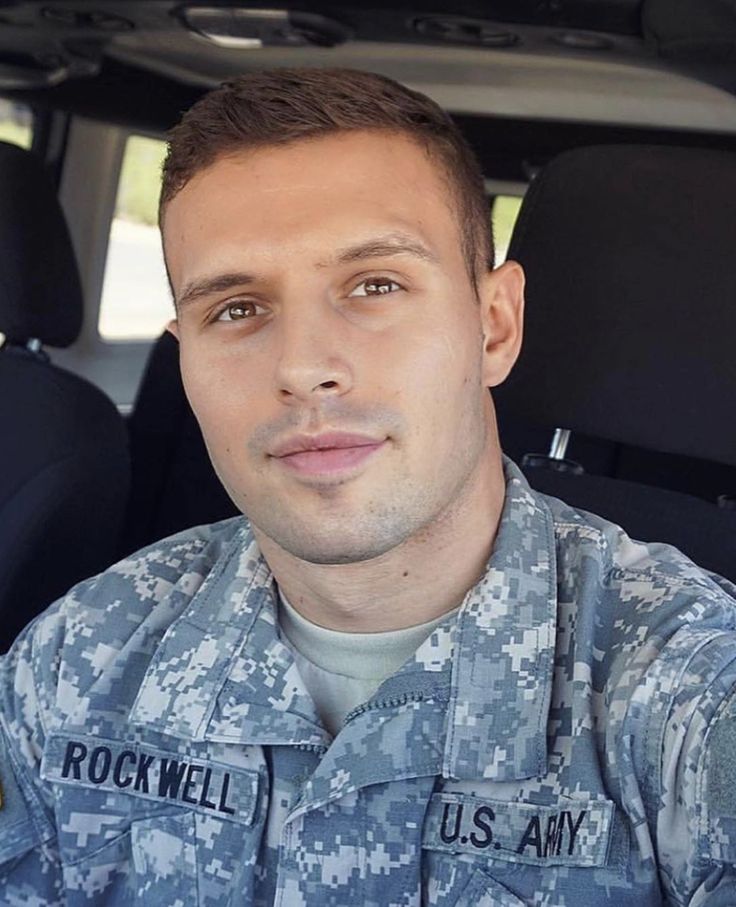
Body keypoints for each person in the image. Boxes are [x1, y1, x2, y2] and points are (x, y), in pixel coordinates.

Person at [0, 68, 735, 907]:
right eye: (236, 309)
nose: (304, 366)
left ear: (494, 326)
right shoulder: (75, 664)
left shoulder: (689, 695)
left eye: (375, 285)